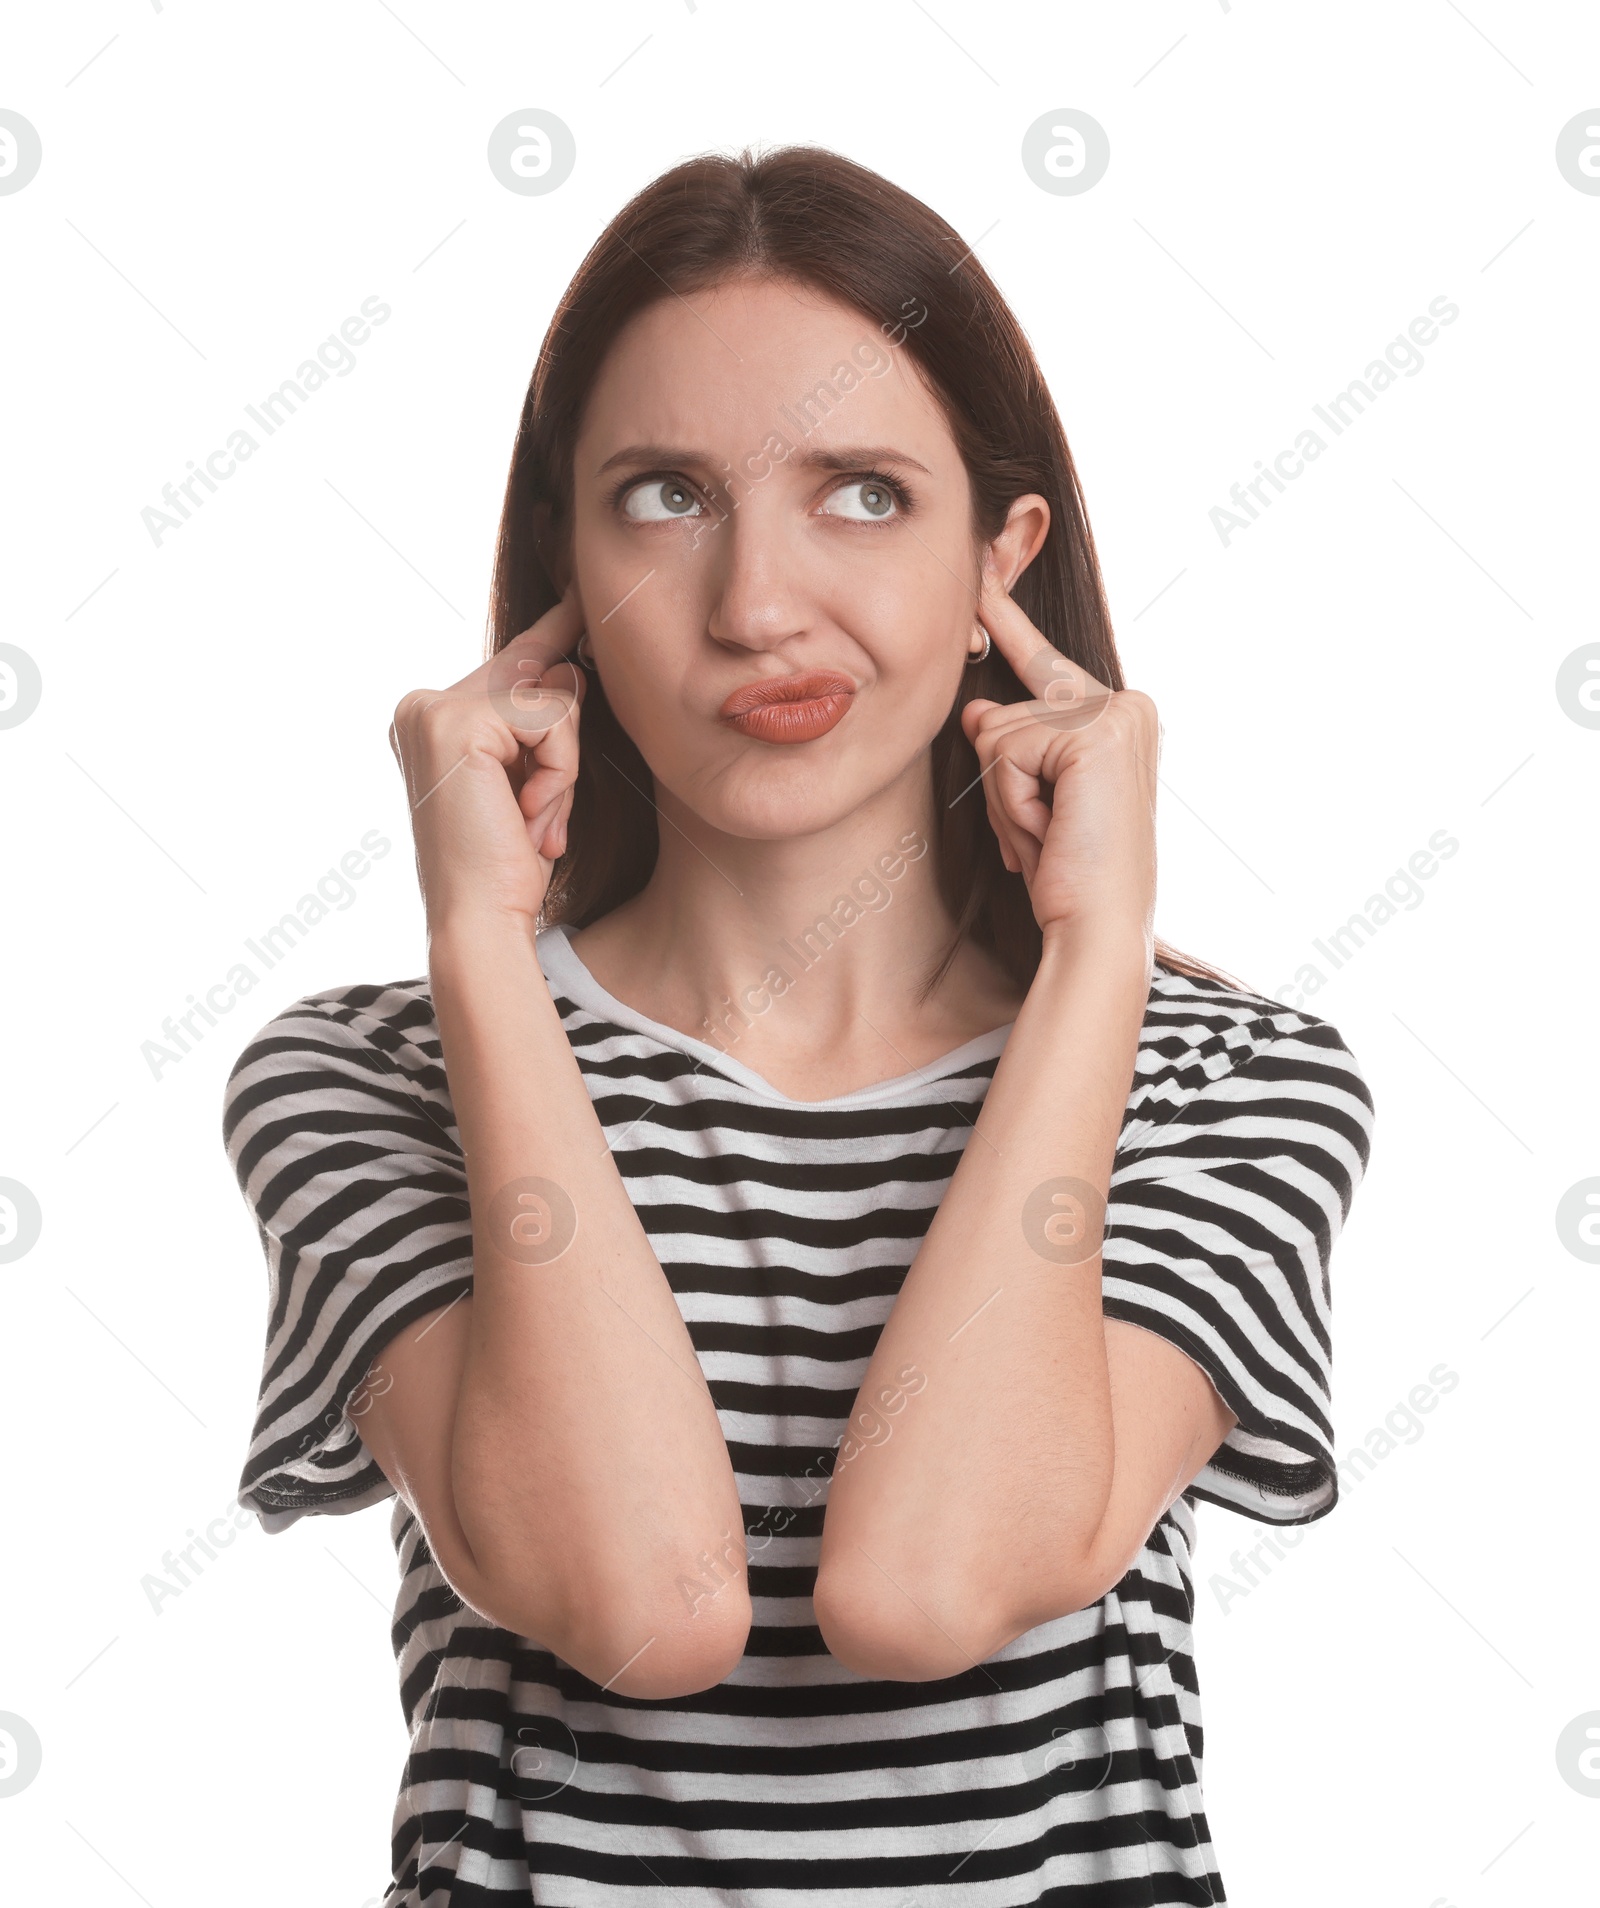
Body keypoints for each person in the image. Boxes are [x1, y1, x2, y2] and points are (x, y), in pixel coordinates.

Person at [223, 146, 1373, 1905]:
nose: (758, 603)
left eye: (861, 494)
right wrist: (481, 944)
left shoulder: (1223, 1081)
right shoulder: (372, 1078)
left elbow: (929, 1583)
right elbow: (643, 1599)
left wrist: (1097, 956)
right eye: (668, 496)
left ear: (1005, 551)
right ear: (563, 558)